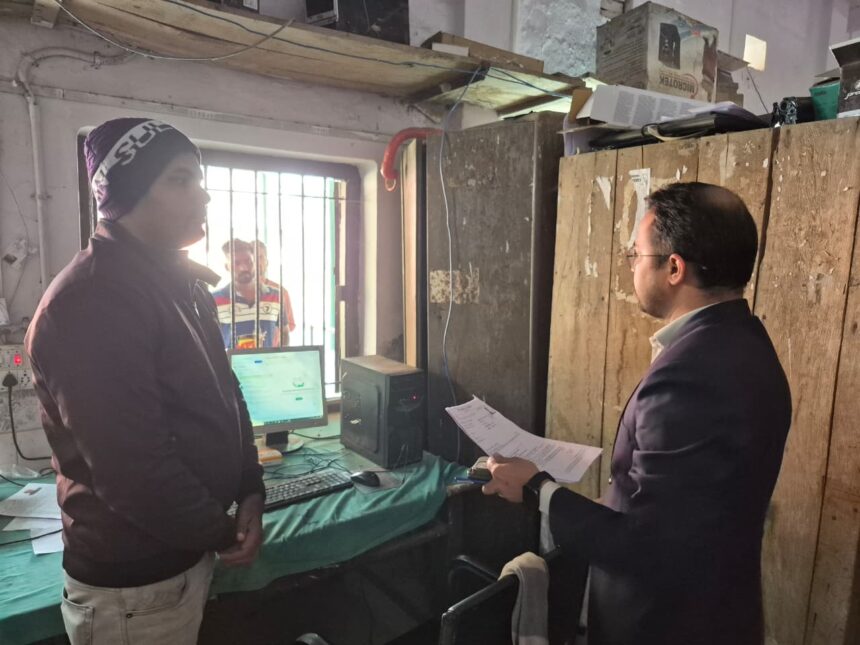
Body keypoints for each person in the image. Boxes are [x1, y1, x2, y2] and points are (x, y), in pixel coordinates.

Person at [483, 182, 791, 645]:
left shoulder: (691, 375)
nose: (631, 266)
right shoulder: (747, 341)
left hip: (668, 623)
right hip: (721, 609)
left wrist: (536, 489)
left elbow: (645, 546)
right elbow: (686, 509)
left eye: (636, 254)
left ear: (674, 268)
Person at [25, 118, 265, 645]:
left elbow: (227, 395)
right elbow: (133, 469)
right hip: (134, 585)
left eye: (199, 179)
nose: (203, 195)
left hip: (182, 554)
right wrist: (223, 529)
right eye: (179, 179)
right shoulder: (89, 302)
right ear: (126, 194)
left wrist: (251, 488)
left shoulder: (182, 283)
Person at [212, 238, 284, 349]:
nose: (243, 268)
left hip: (266, 360)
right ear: (227, 267)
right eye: (236, 263)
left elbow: (284, 332)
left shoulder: (276, 296)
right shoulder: (214, 300)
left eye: (248, 262)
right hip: (228, 361)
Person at [253, 239, 297, 346]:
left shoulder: (281, 293)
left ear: (267, 262)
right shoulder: (232, 293)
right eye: (252, 258)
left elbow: (288, 328)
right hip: (241, 353)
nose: (256, 261)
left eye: (260, 257)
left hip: (272, 352)